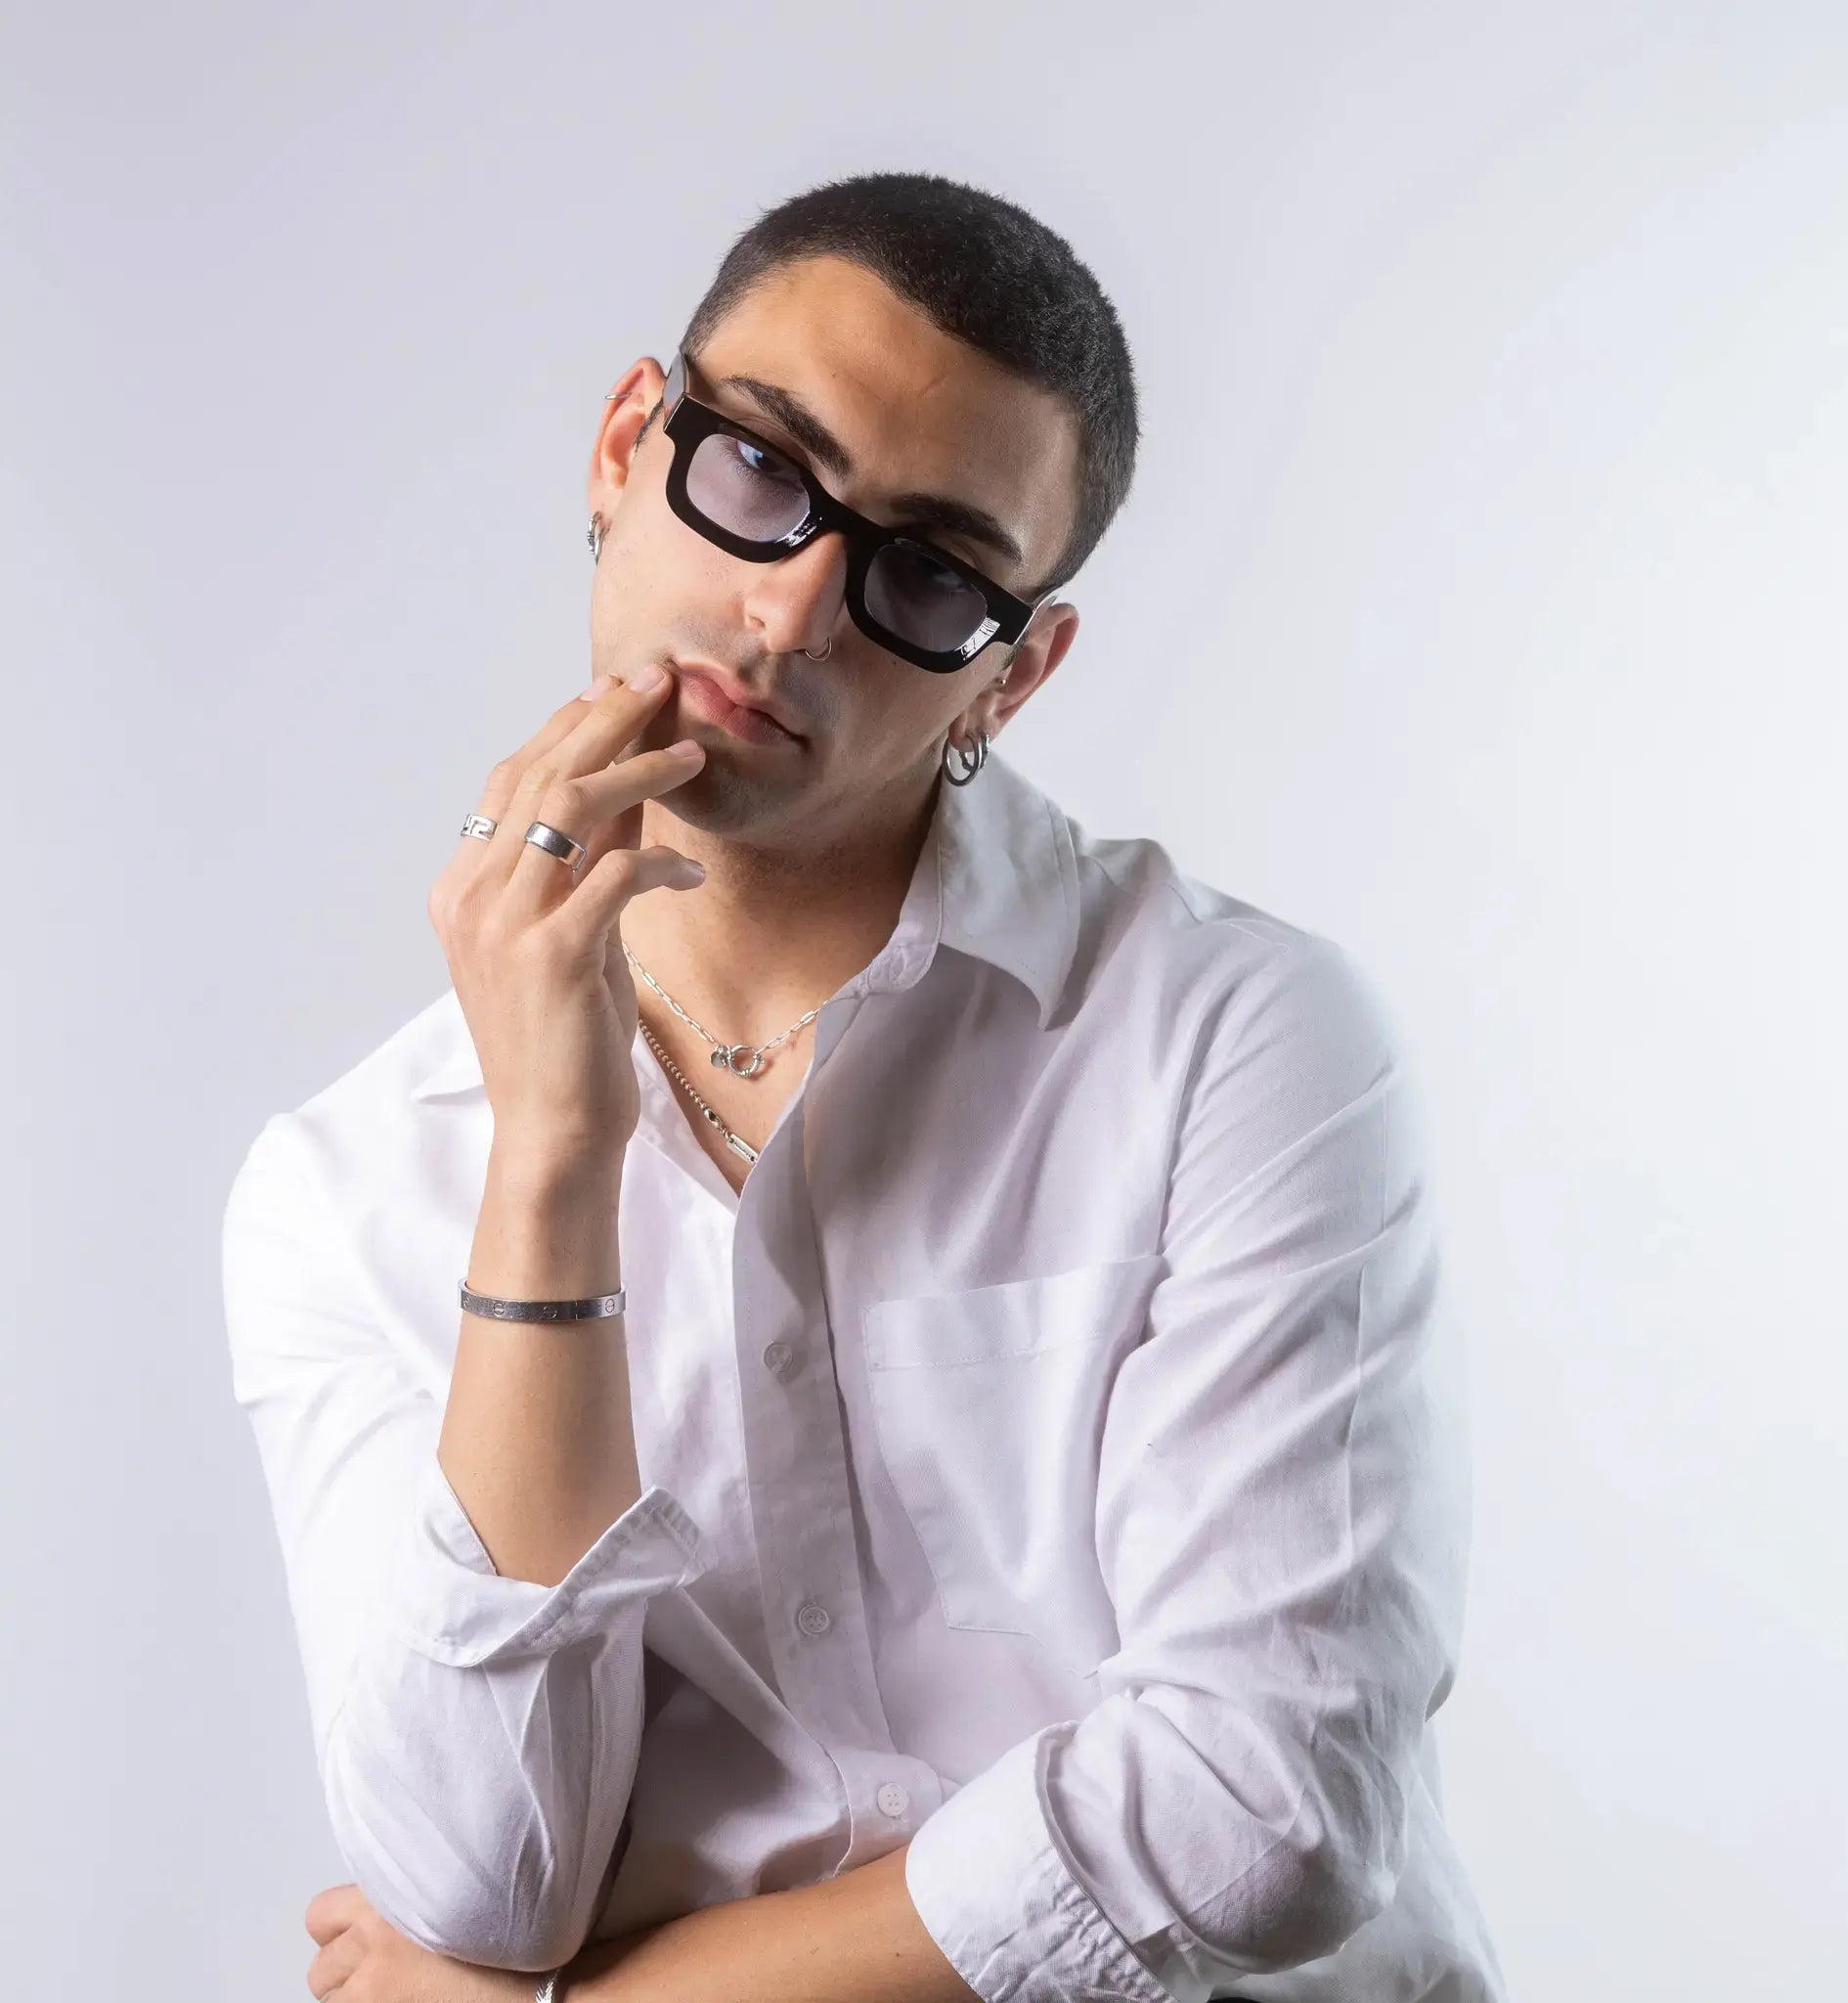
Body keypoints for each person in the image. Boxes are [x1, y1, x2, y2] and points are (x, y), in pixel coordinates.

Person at [222, 168, 1511, 2003]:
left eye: (923, 572)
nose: (792, 609)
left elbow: (1266, 1804)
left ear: (1018, 671)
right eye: (758, 471)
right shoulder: (346, 1187)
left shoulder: (1240, 1038)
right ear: (621, 448)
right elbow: (479, 1882)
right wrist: (552, 1162)